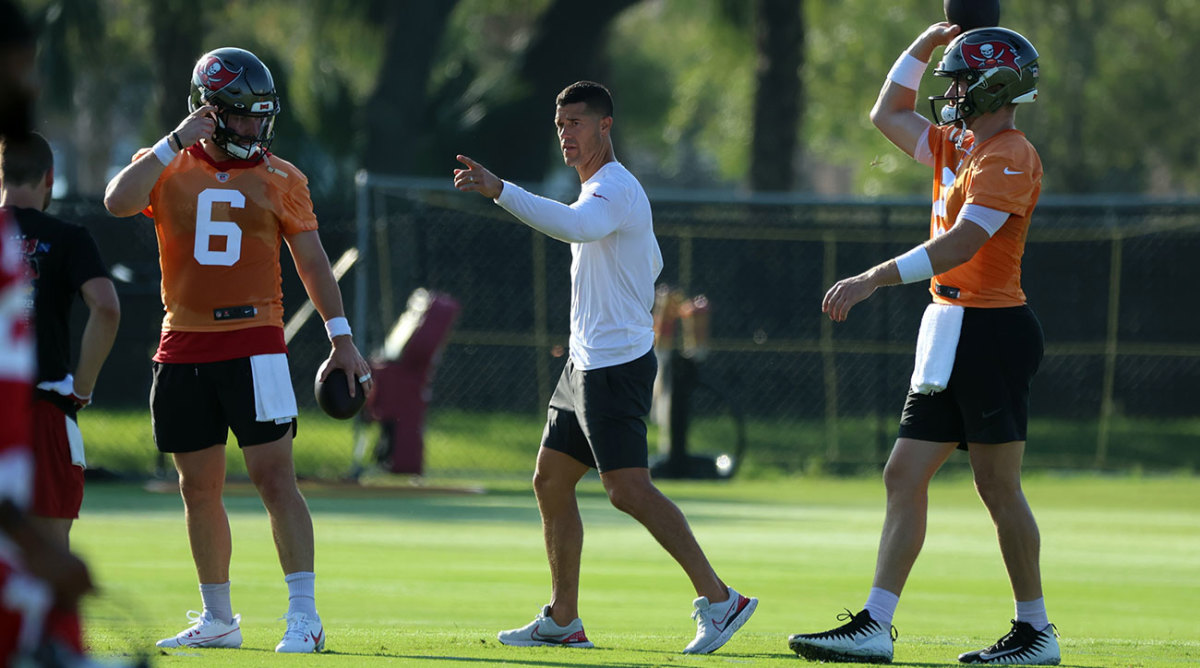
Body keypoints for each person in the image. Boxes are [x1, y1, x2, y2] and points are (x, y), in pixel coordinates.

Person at [787, 24, 1059, 666]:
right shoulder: (958, 145)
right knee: (903, 473)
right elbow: (887, 112)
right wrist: (921, 47)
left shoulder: (1009, 153)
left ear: (996, 84)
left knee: (998, 486)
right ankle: (875, 624)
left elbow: (964, 243)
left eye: (963, 79)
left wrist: (873, 278)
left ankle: (1035, 632)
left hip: (993, 331)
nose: (954, 91)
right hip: (949, 328)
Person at [453, 80, 756, 655]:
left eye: (577, 123)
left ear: (605, 127)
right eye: (560, 123)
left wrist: (500, 190)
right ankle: (563, 619)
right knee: (550, 479)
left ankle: (722, 601)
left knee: (627, 490)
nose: (566, 133)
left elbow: (576, 226)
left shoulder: (614, 187)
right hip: (585, 364)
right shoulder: (598, 189)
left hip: (615, 367)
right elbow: (646, 257)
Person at [103, 46, 373, 654]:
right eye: (242, 115)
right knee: (197, 488)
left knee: (276, 479)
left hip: (256, 343)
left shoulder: (283, 177)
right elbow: (116, 201)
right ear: (209, 110)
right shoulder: (168, 163)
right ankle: (218, 617)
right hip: (182, 345)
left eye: (260, 116)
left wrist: (342, 339)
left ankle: (304, 615)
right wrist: (174, 141)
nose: (254, 126)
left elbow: (312, 262)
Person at [1, 131, 121, 551]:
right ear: (50, 177)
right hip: (44, 408)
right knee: (49, 554)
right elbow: (106, 308)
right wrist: (81, 387)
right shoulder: (69, 238)